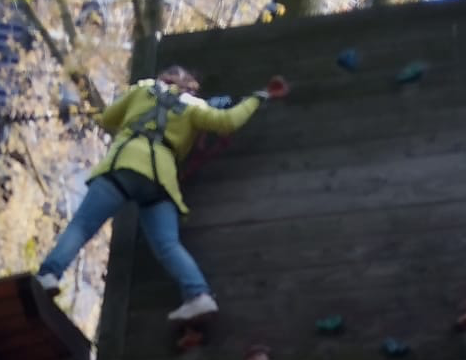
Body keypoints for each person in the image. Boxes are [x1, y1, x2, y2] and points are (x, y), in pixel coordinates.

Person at [36, 64, 289, 322]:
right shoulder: (194, 107)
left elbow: (109, 118)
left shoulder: (144, 88)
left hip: (124, 166)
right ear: (188, 85)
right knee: (168, 245)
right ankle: (199, 295)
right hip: (160, 180)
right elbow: (228, 122)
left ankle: (49, 274)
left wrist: (83, 111)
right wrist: (258, 97)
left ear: (167, 78)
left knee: (82, 225)